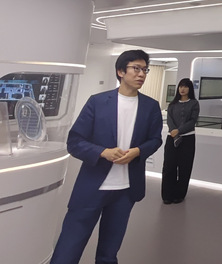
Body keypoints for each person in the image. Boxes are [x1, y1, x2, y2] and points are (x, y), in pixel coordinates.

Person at [51, 50, 163, 264]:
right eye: (136, 68)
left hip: (126, 190)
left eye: (145, 70)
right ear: (120, 71)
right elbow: (74, 141)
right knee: (68, 249)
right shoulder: (97, 102)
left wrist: (138, 151)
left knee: (109, 253)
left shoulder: (151, 106)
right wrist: (103, 152)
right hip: (92, 186)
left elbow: (155, 140)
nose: (141, 74)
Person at [161, 78, 200, 204]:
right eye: (181, 86)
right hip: (171, 138)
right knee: (169, 166)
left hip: (188, 138)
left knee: (184, 167)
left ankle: (179, 194)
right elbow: (170, 119)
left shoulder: (194, 103)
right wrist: (173, 130)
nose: (182, 89)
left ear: (190, 89)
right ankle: (167, 195)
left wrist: (179, 130)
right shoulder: (172, 104)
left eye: (185, 86)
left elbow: (193, 121)